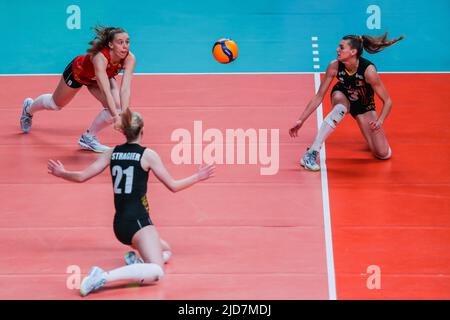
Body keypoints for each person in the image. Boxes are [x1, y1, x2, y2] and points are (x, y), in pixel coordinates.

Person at [48, 109, 215, 296]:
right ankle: (102, 277)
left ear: (124, 132)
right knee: (157, 271)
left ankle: (137, 264)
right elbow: (173, 186)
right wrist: (198, 177)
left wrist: (62, 173)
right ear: (142, 131)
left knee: (166, 250)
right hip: (139, 223)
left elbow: (81, 177)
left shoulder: (113, 152)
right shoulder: (147, 155)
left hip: (120, 225)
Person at [289, 32, 403, 171]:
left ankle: (368, 135)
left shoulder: (368, 71)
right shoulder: (335, 66)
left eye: (342, 47)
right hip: (342, 95)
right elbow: (319, 96)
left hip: (364, 105)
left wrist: (380, 121)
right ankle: (311, 153)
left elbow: (388, 101)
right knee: (340, 109)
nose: (337, 49)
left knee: (383, 154)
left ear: (353, 52)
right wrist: (301, 120)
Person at [21, 26, 136, 153]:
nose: (125, 46)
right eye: (120, 42)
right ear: (110, 45)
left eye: (127, 42)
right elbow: (105, 91)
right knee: (55, 105)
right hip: (78, 74)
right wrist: (116, 118)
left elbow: (125, 89)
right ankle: (29, 108)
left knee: (117, 107)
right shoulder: (100, 58)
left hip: (100, 78)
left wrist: (124, 115)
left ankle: (88, 138)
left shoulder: (130, 58)